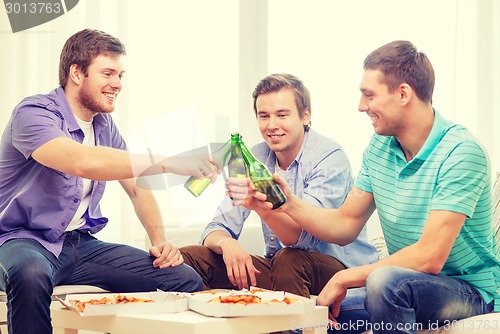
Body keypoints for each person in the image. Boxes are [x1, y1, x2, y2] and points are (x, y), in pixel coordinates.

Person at [235, 41, 499, 333]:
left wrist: (344, 278)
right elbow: (346, 224)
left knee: (384, 281)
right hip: (405, 284)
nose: (361, 106)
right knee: (304, 315)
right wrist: (288, 203)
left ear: (403, 94)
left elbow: (429, 256)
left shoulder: (461, 152)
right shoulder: (380, 146)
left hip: (469, 290)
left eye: (369, 95)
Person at [0, 29, 220, 334]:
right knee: (32, 273)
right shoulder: (33, 113)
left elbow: (136, 186)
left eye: (120, 75)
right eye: (107, 73)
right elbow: (81, 161)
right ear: (76, 73)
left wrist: (159, 242)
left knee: (182, 279)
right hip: (21, 240)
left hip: (80, 245)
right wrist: (171, 162)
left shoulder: (104, 125)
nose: (117, 84)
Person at [180, 73, 378, 299]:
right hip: (282, 269)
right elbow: (216, 227)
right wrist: (227, 244)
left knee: (288, 258)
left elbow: (301, 239)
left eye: (282, 115)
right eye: (264, 116)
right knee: (192, 258)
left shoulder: (329, 157)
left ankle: (296, 325)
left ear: (305, 116)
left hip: (338, 270)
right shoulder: (255, 157)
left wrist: (260, 206)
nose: (272, 125)